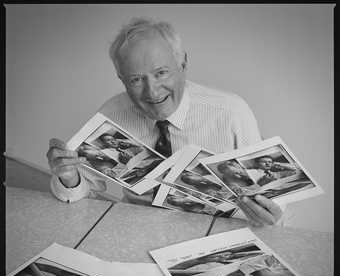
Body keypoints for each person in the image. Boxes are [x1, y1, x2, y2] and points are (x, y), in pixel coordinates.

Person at [46, 17, 283, 227]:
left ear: (183, 64)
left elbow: (276, 203)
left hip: (219, 232)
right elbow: (83, 191)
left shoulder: (232, 112)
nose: (152, 91)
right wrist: (69, 176)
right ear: (122, 80)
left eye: (161, 73)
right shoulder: (111, 114)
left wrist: (271, 215)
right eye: (136, 79)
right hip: (138, 228)